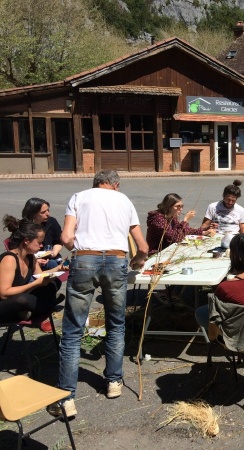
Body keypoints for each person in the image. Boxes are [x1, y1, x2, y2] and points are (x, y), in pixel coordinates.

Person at [50, 170, 148, 419]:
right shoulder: (123, 200)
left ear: (96, 183)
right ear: (115, 185)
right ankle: (114, 381)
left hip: (85, 260)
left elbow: (66, 237)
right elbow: (143, 246)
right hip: (116, 260)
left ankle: (67, 398)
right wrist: (137, 260)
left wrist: (78, 250)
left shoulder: (79, 197)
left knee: (72, 331)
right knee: (115, 324)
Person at [0, 216, 65, 324]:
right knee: (23, 299)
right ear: (26, 241)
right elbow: (4, 293)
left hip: (18, 298)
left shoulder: (30, 256)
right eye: (39, 242)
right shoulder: (9, 259)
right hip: (5, 304)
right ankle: (48, 305)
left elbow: (39, 275)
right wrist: (34, 284)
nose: (41, 245)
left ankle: (36, 309)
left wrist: (58, 268)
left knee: (53, 283)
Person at [146, 193, 214, 256]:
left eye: (182, 206)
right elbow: (176, 237)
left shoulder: (172, 216)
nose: (180, 209)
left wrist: (202, 232)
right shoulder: (158, 219)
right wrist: (185, 220)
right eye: (178, 206)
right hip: (158, 253)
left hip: (170, 249)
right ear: (168, 206)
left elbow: (181, 230)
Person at [22, 198, 63, 270]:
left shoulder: (51, 222)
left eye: (48, 210)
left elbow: (58, 241)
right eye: (43, 212)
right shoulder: (23, 227)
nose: (48, 214)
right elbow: (19, 250)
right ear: (33, 214)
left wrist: (53, 253)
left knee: (53, 263)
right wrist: (35, 260)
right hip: (30, 259)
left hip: (50, 258)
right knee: (52, 265)